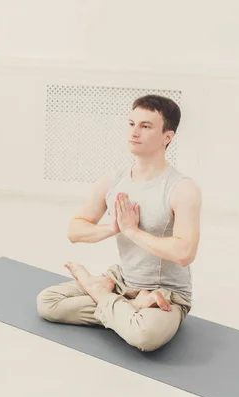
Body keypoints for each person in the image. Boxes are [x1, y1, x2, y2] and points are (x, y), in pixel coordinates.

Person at [36, 94, 202, 352]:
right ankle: (127, 306)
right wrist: (113, 228)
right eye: (131, 123)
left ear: (167, 137)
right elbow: (75, 230)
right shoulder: (113, 180)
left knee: (145, 336)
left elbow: (184, 253)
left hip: (167, 294)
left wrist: (132, 231)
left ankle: (103, 296)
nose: (134, 132)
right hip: (122, 281)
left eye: (146, 126)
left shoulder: (182, 189)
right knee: (48, 303)